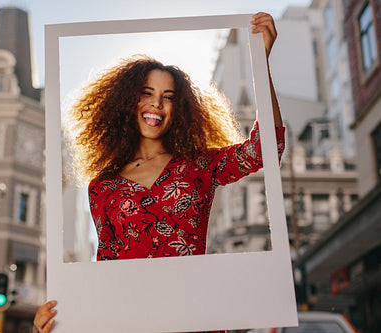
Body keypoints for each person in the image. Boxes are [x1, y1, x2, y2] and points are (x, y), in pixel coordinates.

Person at [35, 12, 283, 333]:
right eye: (147, 94)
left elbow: (266, 148)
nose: (156, 105)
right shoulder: (102, 187)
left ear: (179, 110)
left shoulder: (199, 165)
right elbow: (106, 272)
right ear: (127, 101)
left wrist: (262, 63)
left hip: (196, 320)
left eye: (168, 98)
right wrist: (60, 321)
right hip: (133, 324)